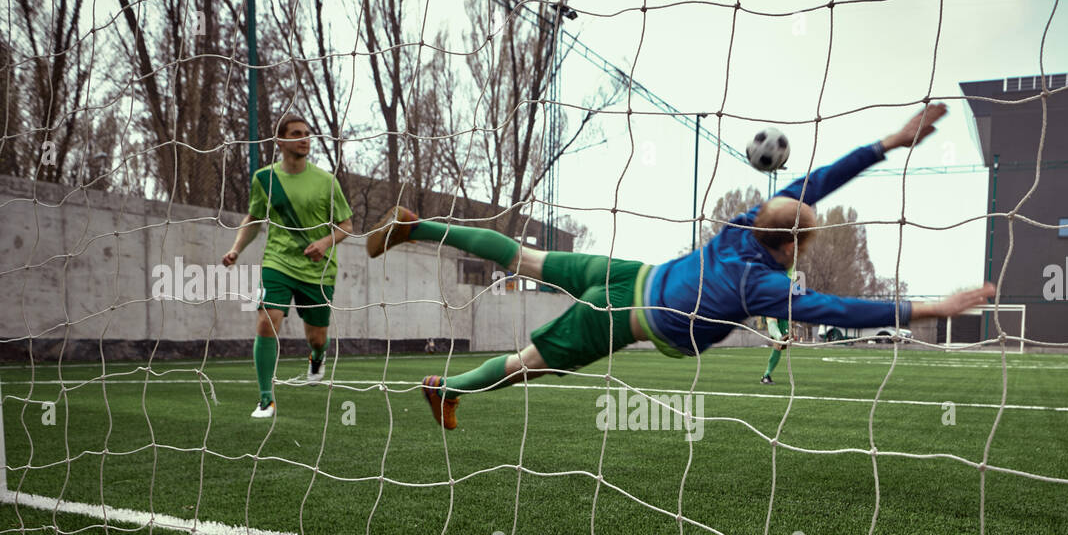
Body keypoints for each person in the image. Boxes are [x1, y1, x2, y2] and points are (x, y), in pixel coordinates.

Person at [366, 103, 995, 429]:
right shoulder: (763, 283)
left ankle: (418, 225)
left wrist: (889, 142)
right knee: (527, 365)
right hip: (623, 316)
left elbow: (820, 181)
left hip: (624, 272)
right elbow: (838, 309)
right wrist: (931, 307)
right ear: (795, 250)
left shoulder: (744, 224)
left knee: (526, 254)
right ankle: (445, 389)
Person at [222, 113, 354, 418]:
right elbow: (254, 219)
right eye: (296, 134)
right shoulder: (264, 179)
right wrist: (235, 249)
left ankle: (317, 357)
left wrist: (323, 243)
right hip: (277, 262)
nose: (304, 139)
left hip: (317, 270)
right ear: (280, 141)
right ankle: (266, 399)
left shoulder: (326, 181)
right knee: (267, 320)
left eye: (307, 134)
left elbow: (346, 224)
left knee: (316, 337)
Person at [759, 316, 790, 384]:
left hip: (784, 311)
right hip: (773, 306)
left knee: (778, 347)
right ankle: (779, 337)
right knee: (771, 319)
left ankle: (766, 376)